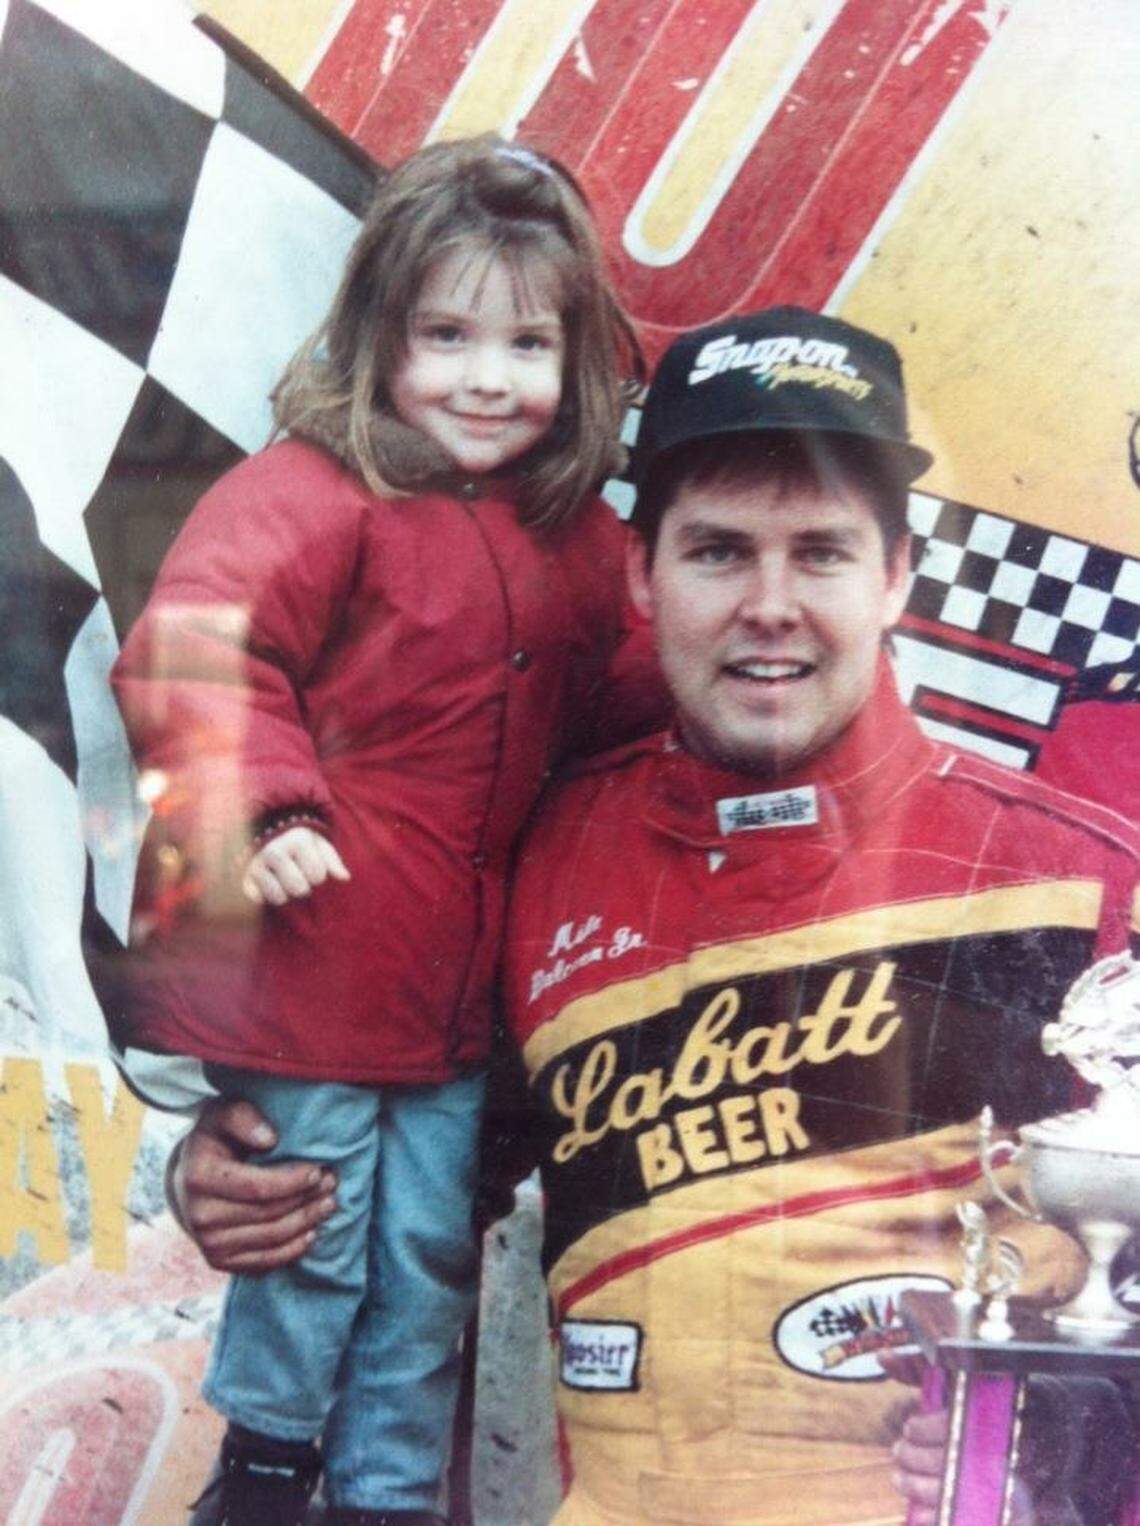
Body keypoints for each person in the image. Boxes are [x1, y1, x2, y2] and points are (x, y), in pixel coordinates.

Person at [168, 309, 1140, 1524]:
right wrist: (245, 1165)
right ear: (641, 573)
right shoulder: (541, 857)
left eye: (823, 553)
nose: (770, 604)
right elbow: (417, 1148)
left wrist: (1078, 1421)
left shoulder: (1086, 880)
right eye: (720, 551)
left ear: (897, 574)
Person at [110, 134, 663, 1526]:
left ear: (579, 360)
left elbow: (640, 687)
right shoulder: (313, 493)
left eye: (528, 343)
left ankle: (384, 1491)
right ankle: (271, 1466)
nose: (488, 376)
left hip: (457, 995)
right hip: (309, 966)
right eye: (447, 334)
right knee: (313, 1224)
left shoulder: (578, 539)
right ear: (379, 336)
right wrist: (263, 803)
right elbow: (192, 647)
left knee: (428, 1250)